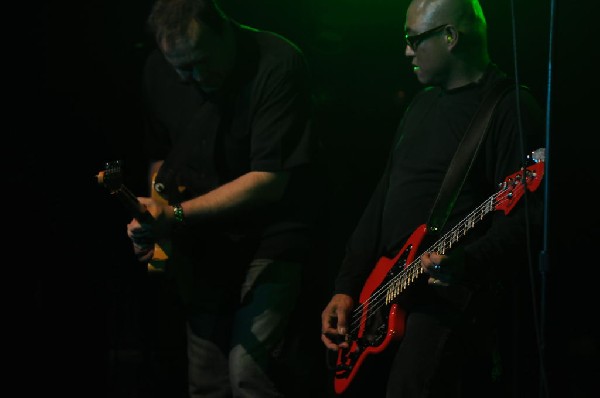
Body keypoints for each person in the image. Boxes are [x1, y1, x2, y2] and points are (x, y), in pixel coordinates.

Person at [321, 0, 545, 397]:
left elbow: (529, 218)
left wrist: (465, 263)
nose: (407, 51)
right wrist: (346, 285)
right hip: (380, 296)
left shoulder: (508, 107)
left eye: (414, 39)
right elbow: (382, 200)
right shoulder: (420, 104)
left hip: (446, 300)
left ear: (450, 37)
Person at [125, 0, 320, 396]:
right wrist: (156, 217)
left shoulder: (277, 61)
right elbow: (163, 158)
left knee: (248, 372)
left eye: (199, 62)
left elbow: (268, 180)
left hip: (271, 238)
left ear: (226, 30)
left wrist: (175, 216)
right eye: (178, 67)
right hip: (203, 245)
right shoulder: (159, 71)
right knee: (206, 380)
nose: (188, 78)